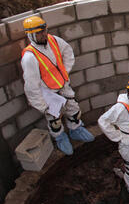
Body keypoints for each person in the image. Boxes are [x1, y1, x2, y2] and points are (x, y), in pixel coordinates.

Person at [21, 16, 94, 155]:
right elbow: (31, 85)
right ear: (31, 35)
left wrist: (64, 73)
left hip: (63, 86)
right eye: (38, 33)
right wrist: (41, 105)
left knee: (73, 109)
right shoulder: (30, 57)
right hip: (48, 92)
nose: (43, 35)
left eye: (44, 31)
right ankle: (60, 138)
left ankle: (76, 130)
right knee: (54, 119)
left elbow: (68, 53)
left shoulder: (54, 41)